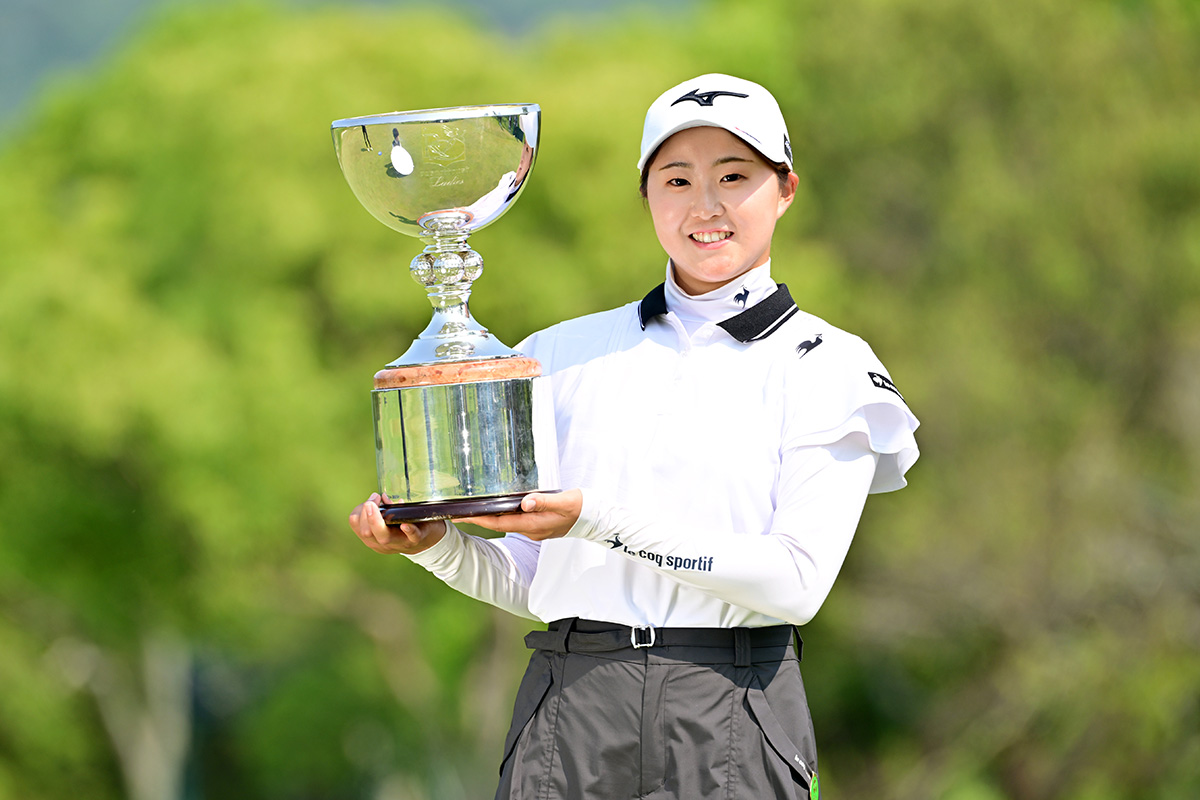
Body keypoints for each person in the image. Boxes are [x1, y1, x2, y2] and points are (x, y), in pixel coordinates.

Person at [348, 73, 919, 800]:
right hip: (569, 700)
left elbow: (795, 584)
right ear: (646, 194)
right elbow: (535, 582)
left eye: (734, 176)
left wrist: (597, 519)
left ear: (785, 190)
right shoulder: (555, 354)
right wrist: (438, 549)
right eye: (677, 179)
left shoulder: (830, 364)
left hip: (734, 707)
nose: (705, 206)